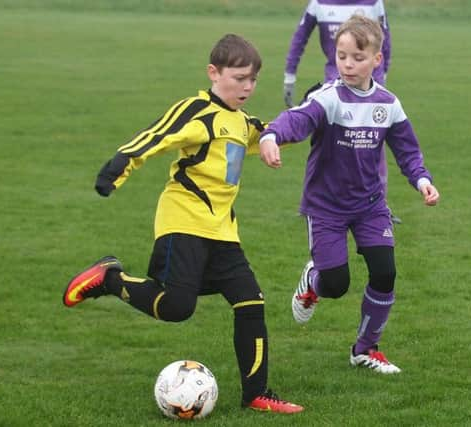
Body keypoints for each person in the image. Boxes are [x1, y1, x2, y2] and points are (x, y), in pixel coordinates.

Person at [62, 34, 303, 414]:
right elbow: (157, 136)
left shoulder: (241, 122)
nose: (247, 87)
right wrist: (118, 167)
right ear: (213, 72)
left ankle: (257, 394)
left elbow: (274, 133)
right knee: (177, 307)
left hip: (223, 231)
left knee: (251, 302)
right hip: (184, 221)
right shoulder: (197, 110)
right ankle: (110, 279)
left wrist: (314, 111)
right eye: (239, 78)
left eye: (253, 80)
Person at [260, 15, 440, 374]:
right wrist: (271, 135)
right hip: (326, 207)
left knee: (385, 272)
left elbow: (407, 150)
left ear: (377, 59)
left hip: (370, 205)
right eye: (342, 56)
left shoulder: (388, 103)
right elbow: (298, 118)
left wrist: (421, 180)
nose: (347, 64)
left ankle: (365, 349)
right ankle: (314, 281)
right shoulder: (329, 98)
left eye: (357, 57)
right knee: (337, 284)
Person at [282, 0, 403, 223]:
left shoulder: (374, 3)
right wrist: (289, 76)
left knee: (372, 142)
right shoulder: (318, 4)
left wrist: (382, 77)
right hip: (335, 84)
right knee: (329, 144)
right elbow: (300, 38)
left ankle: (378, 204)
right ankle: (318, 203)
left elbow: (385, 40)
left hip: (370, 83)